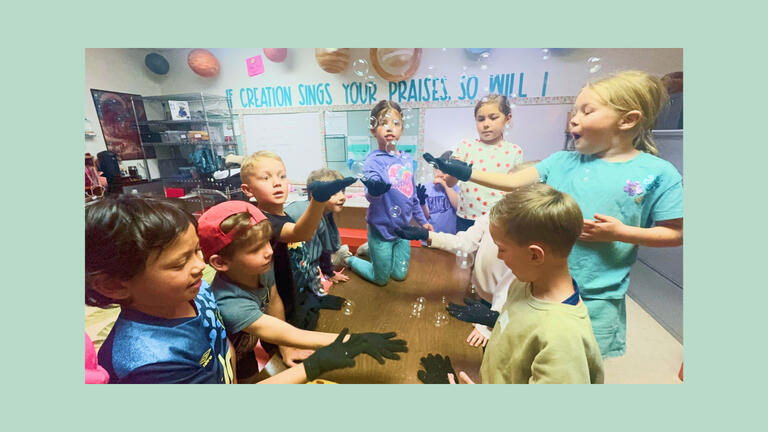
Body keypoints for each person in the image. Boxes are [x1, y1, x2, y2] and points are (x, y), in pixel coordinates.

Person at [424, 70, 683, 358]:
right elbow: (512, 181)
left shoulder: (658, 173)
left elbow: (677, 232)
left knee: (577, 364)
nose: (573, 118)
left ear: (627, 120)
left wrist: (619, 232)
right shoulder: (562, 161)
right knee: (528, 355)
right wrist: (465, 172)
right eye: (574, 110)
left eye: (587, 111)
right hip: (537, 284)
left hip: (598, 296)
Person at [198, 200, 408, 383]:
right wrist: (354, 340)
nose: (269, 252)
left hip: (247, 344)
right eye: (255, 249)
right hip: (217, 363)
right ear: (221, 262)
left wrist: (286, 347)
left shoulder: (258, 266)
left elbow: (273, 301)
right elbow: (289, 333)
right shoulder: (228, 302)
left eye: (268, 242)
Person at [417, 184, 604, 384]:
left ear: (534, 254)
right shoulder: (523, 285)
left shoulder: (563, 339)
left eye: (502, 249)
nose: (498, 255)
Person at [85, 195, 235, 383]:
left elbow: (221, 343)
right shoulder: (151, 364)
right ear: (113, 285)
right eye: (179, 263)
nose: (201, 266)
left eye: (197, 250)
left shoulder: (197, 290)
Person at [395, 161, 539, 347]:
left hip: (502, 309)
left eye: (513, 190)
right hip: (481, 300)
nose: (505, 194)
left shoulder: (528, 236)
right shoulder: (493, 215)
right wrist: (427, 235)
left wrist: (489, 323)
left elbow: (511, 285)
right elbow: (464, 242)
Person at [239, 151, 356, 329]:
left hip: (299, 290)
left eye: (282, 176)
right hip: (280, 302)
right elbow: (300, 233)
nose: (277, 182)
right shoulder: (263, 222)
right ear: (248, 190)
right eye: (265, 178)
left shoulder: (283, 215)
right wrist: (318, 200)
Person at [347, 100, 433, 286]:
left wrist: (423, 222)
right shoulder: (372, 162)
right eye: (383, 123)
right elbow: (370, 197)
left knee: (399, 275)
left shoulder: (407, 159)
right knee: (381, 279)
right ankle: (348, 259)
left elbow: (413, 197)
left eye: (396, 123)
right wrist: (374, 191)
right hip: (380, 229)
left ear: (401, 129)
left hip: (402, 230)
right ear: (373, 130)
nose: (390, 128)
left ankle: (373, 252)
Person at [450, 94, 523, 232]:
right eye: (480, 119)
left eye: (493, 117)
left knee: (492, 254)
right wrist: (452, 169)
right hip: (466, 218)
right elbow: (450, 183)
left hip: (497, 220)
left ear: (508, 119)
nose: (486, 124)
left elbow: (516, 190)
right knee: (464, 253)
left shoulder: (514, 151)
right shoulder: (466, 146)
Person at [285, 168, 352, 297]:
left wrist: (329, 273)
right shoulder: (308, 218)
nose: (342, 197)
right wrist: (317, 288)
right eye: (334, 193)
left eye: (342, 191)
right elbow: (305, 260)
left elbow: (323, 250)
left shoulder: (325, 213)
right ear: (313, 195)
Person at [417, 150, 459, 236]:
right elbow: (426, 216)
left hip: (451, 238)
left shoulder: (456, 188)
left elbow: (458, 206)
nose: (444, 174)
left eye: (448, 171)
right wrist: (422, 203)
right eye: (442, 170)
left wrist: (445, 184)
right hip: (431, 236)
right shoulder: (427, 188)